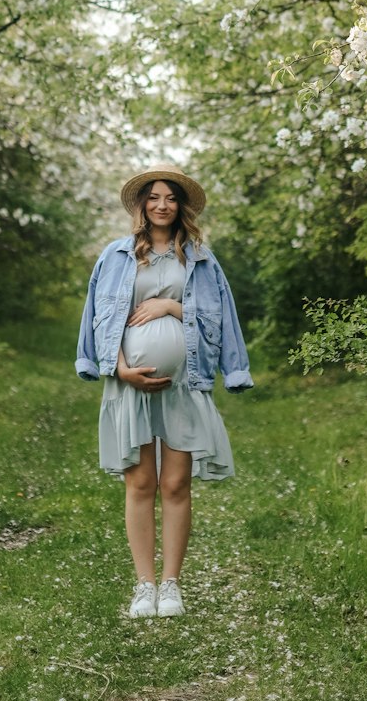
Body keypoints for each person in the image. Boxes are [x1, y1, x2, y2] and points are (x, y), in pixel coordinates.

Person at [75, 162, 253, 619]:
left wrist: (171, 305)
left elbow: (221, 313)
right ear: (141, 204)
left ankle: (172, 584)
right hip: (130, 386)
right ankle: (144, 585)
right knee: (141, 482)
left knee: (175, 483)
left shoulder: (199, 258)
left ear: (181, 206)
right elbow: (98, 318)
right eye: (153, 197)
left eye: (170, 198)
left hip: (184, 383)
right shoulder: (115, 256)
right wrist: (117, 369)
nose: (161, 205)